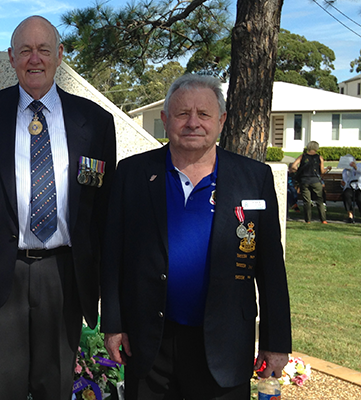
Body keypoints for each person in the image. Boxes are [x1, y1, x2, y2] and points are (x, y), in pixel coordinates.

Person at [101, 74, 291, 400]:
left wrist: (276, 342)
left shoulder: (253, 178)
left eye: (203, 114)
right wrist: (114, 324)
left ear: (221, 121)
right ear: (164, 120)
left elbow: (271, 267)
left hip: (225, 343)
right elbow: (112, 255)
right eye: (182, 114)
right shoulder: (132, 173)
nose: (193, 123)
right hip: (150, 343)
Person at [0, 16, 116, 400]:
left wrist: (102, 283)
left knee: (55, 384)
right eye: (25, 50)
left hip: (64, 274)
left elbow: (104, 212)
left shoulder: (95, 121)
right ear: (11, 57)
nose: (35, 58)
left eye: (44, 49)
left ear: (59, 55)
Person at [290, 141, 328, 223]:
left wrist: (297, 170)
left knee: (307, 201)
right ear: (316, 148)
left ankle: (308, 220)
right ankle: (323, 219)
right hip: (315, 180)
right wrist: (327, 169)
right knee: (319, 200)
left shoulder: (302, 156)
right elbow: (322, 171)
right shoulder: (319, 157)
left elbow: (293, 166)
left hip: (304, 180)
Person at [341, 157, 361, 223]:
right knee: (346, 194)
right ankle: (350, 215)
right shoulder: (345, 171)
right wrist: (343, 184)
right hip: (350, 187)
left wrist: (355, 167)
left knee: (359, 198)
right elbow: (345, 181)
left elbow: (359, 170)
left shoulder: (359, 166)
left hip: (359, 187)